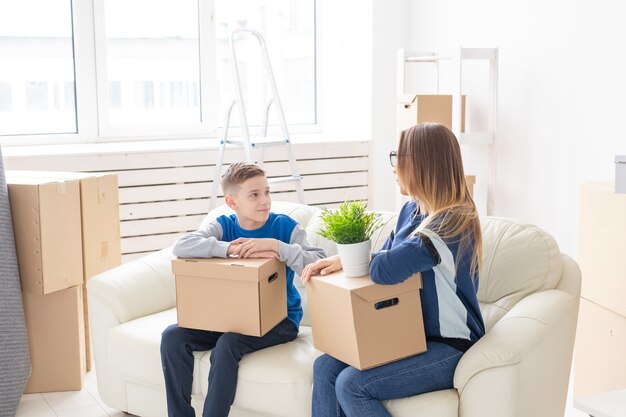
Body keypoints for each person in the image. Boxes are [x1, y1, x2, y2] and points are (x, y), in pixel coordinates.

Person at [301, 123, 485, 417]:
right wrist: (343, 260)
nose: (394, 166)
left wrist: (354, 260)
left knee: (352, 384)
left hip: (450, 346)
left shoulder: (452, 223)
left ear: (424, 164)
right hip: (408, 334)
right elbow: (382, 256)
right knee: (325, 367)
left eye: (400, 157)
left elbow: (386, 268)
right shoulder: (410, 211)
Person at [161, 162, 326, 417]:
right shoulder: (223, 226)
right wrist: (228, 249)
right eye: (254, 194)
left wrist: (278, 247)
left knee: (228, 344)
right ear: (232, 202)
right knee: (173, 337)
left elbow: (318, 260)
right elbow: (182, 245)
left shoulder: (284, 227)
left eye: (267, 192)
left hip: (279, 321)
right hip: (229, 319)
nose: (265, 201)